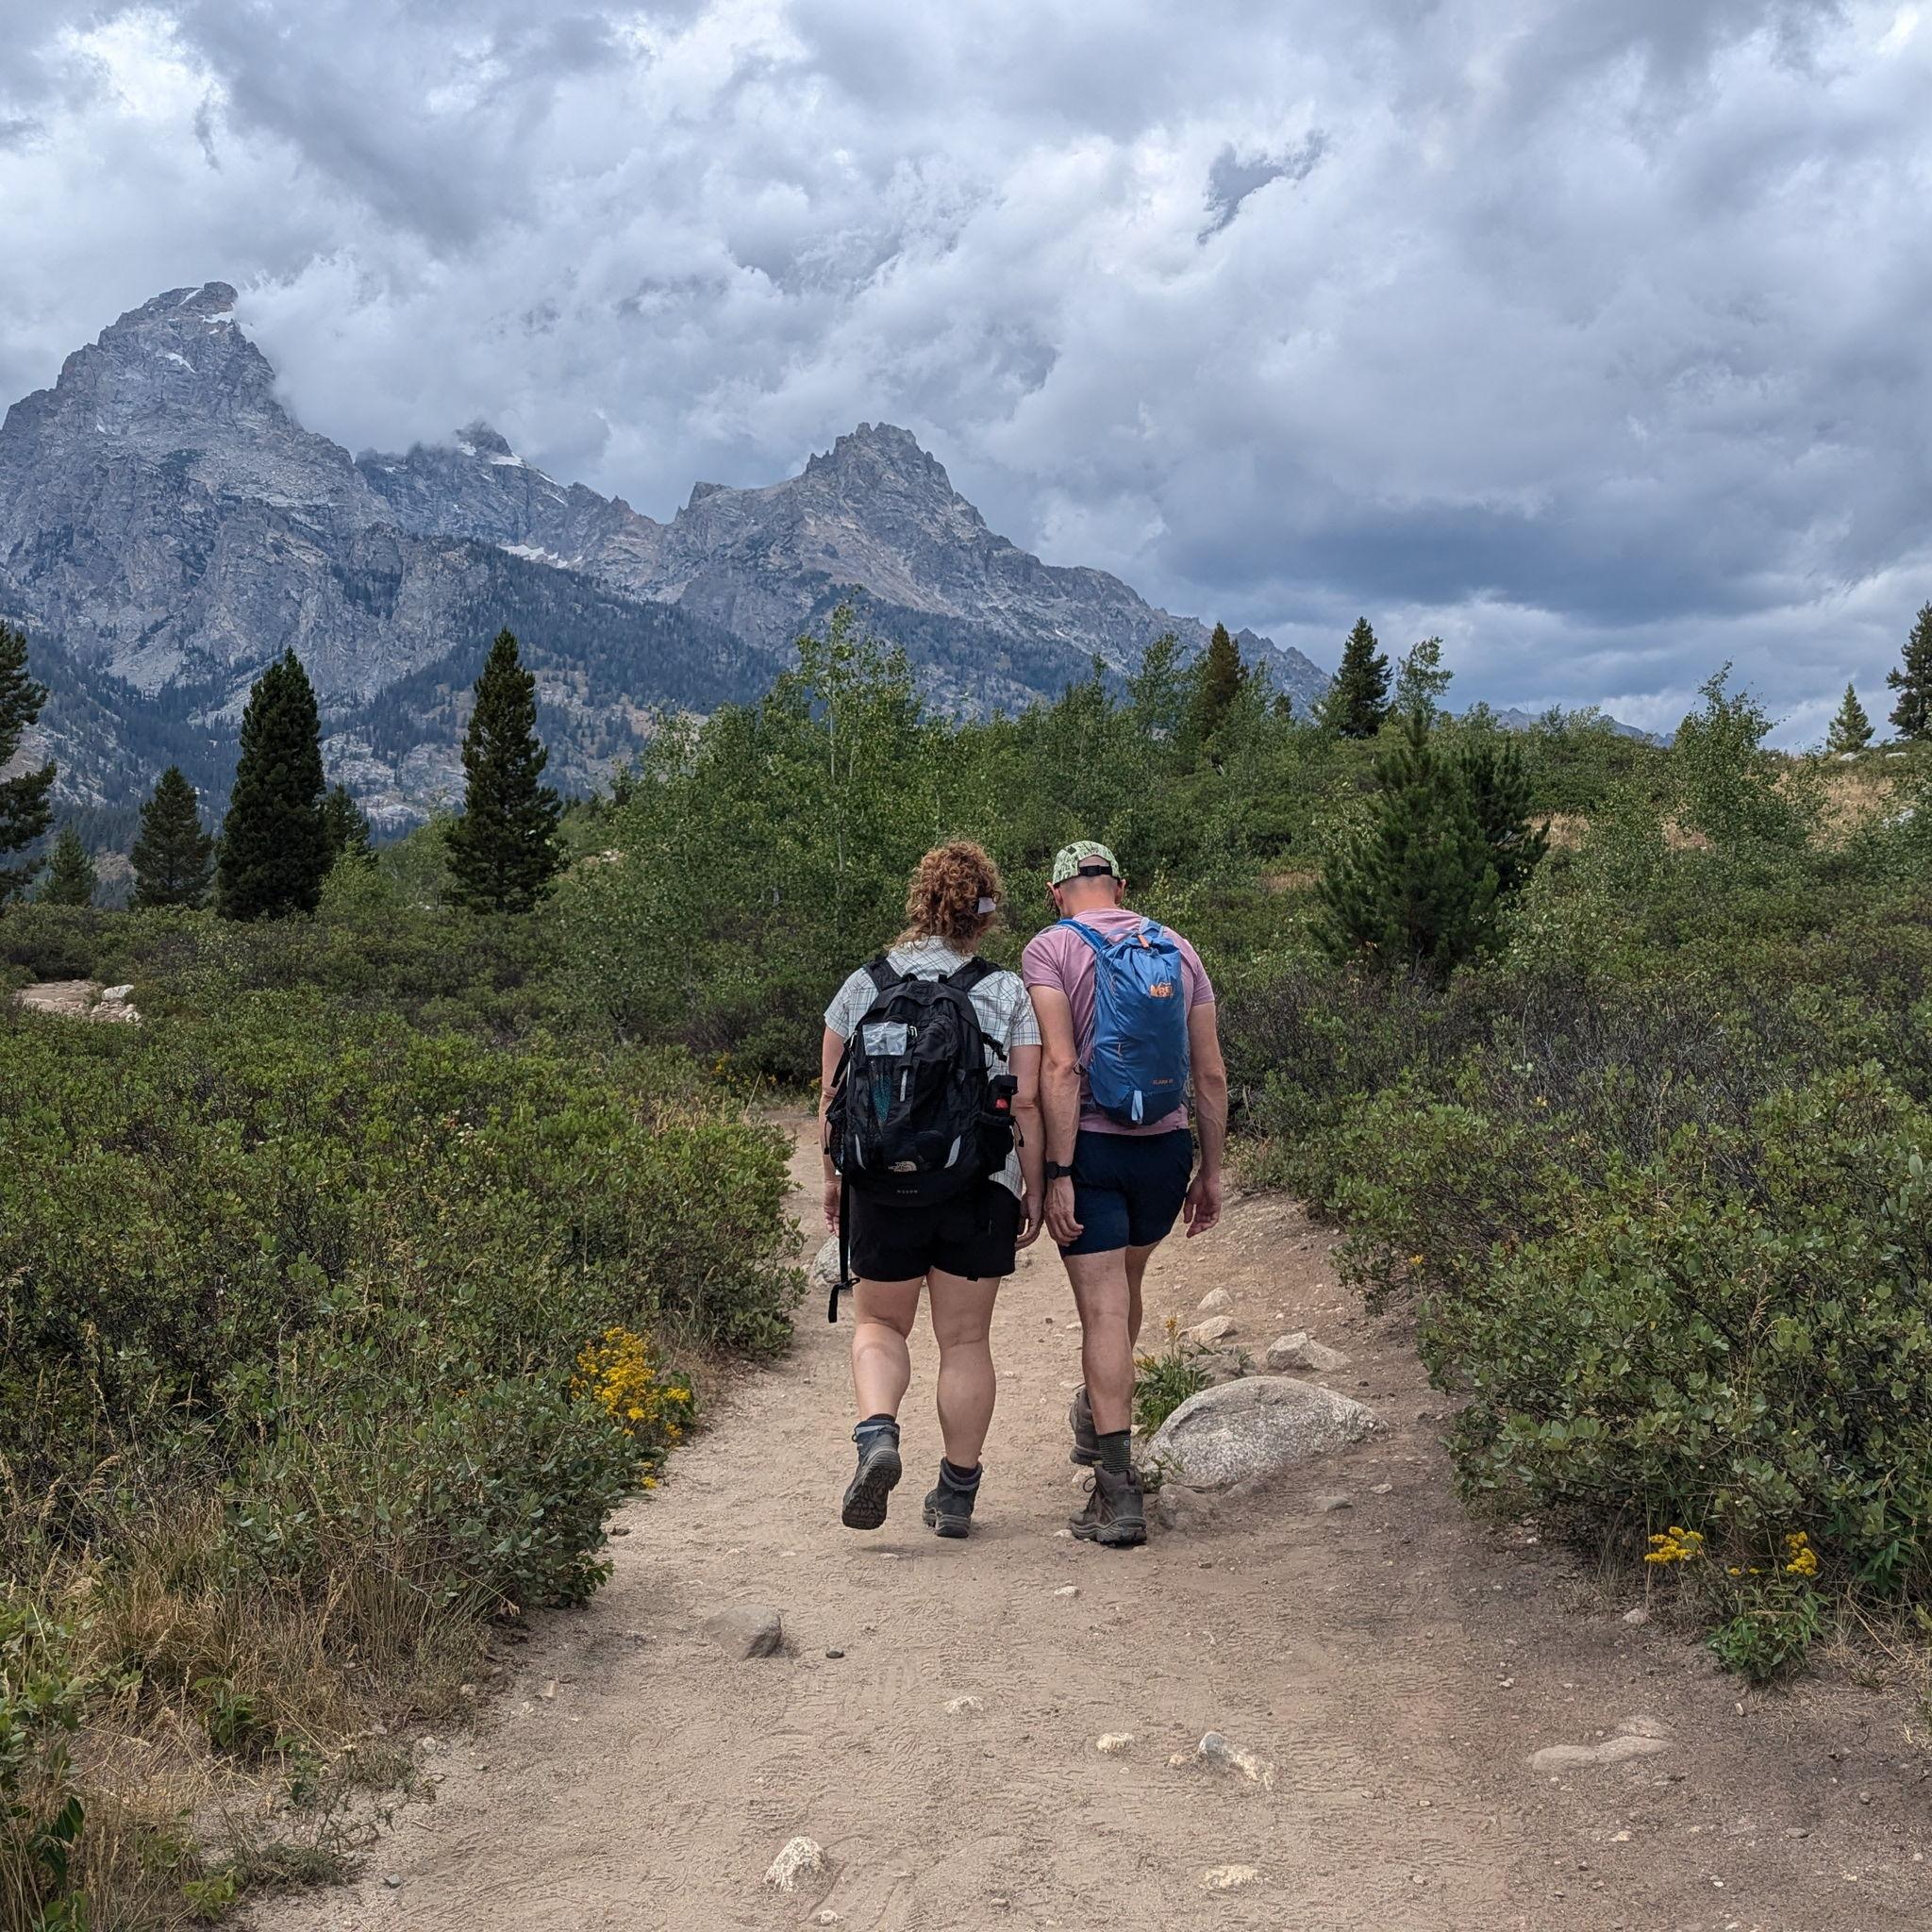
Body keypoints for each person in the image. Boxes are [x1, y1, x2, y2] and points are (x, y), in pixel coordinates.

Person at [820, 841, 1044, 1539]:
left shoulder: (865, 983)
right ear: (986, 912)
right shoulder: (1005, 991)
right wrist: (1034, 1189)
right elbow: (1029, 1102)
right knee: (965, 1340)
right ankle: (955, 1494)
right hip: (977, 1185)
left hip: (883, 1185)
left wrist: (833, 1181)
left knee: (881, 1324)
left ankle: (878, 1432)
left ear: (918, 900)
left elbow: (830, 1095)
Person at [1022, 840, 1226, 1548]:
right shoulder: (1177, 946)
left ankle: (1117, 1488)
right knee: (1128, 1284)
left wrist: (1056, 1173)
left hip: (1095, 1147)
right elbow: (1211, 1076)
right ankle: (1096, 1407)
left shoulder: (1049, 949)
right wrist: (1211, 1171)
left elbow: (1060, 1065)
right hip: (1166, 1150)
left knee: (1103, 1309)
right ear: (1121, 885)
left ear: (1057, 891)